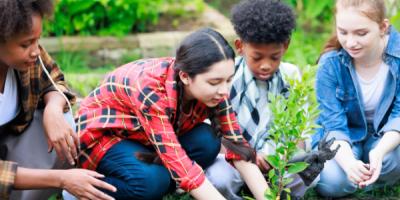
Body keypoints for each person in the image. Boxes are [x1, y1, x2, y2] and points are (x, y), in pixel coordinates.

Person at [76, 27, 269, 200]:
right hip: (106, 138)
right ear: (185, 76)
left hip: (145, 137)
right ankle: (83, 190)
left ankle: (157, 178)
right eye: (214, 82)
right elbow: (182, 165)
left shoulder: (217, 90)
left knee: (208, 140)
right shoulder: (151, 90)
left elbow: (237, 146)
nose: (225, 90)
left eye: (229, 80)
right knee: (151, 182)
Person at [0, 0, 116, 199]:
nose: (35, 51)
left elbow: (55, 81)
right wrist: (61, 179)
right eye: (25, 44)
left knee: (62, 117)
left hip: (9, 144)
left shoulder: (29, 59)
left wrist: (53, 109)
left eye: (37, 40)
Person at [205, 0, 313, 199]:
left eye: (274, 57)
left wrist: (279, 156)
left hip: (277, 159)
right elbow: (211, 135)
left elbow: (299, 132)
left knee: (308, 170)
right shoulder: (226, 77)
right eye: (257, 57)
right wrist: (249, 156)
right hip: (233, 159)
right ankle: (253, 186)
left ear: (286, 46)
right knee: (218, 179)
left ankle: (270, 185)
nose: (265, 65)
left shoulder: (291, 75)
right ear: (240, 46)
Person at [313, 0, 400, 197]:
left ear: (383, 27)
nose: (350, 42)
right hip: (346, 137)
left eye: (361, 33)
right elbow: (333, 124)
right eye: (343, 32)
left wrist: (379, 152)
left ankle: (369, 173)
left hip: (386, 137)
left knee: (391, 160)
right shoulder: (330, 64)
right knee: (332, 182)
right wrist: (348, 163)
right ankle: (366, 176)